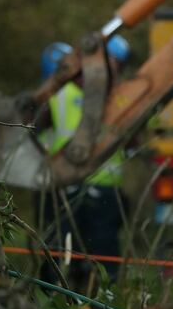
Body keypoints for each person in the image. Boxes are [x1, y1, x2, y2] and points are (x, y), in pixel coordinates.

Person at [38, 36, 131, 287]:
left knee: (98, 259)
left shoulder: (120, 98)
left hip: (100, 192)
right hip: (67, 189)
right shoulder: (62, 96)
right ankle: (58, 304)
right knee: (60, 254)